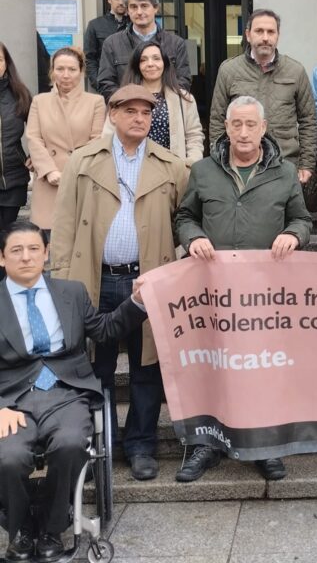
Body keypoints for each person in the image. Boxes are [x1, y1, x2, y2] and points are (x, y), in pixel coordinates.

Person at [50, 84, 188, 482]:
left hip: (147, 281)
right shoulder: (82, 160)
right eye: (129, 111)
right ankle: (104, 444)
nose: (138, 118)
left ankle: (142, 446)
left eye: (145, 113)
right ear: (112, 114)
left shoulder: (171, 165)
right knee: (100, 368)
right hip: (97, 279)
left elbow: (185, 220)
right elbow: (62, 226)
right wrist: (61, 283)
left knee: (147, 368)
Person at [174, 95, 312, 483]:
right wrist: (194, 236)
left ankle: (264, 445)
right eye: (237, 124)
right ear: (227, 128)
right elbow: (185, 215)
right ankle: (206, 443)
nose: (244, 132)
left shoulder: (284, 172)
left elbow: (302, 219)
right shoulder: (203, 171)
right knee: (213, 365)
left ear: (264, 128)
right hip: (213, 291)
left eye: (251, 124)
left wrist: (292, 234)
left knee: (260, 366)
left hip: (264, 293)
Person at [0, 220, 149, 563]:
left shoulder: (71, 293)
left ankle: (53, 527)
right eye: (16, 251)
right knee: (9, 457)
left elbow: (106, 330)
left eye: (34, 249)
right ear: (3, 258)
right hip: (12, 398)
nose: (26, 257)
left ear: (46, 253)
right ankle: (20, 530)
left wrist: (137, 303)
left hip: (67, 391)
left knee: (70, 445)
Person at [208, 9, 316, 184]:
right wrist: (219, 160)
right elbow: (217, 119)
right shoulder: (228, 70)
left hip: (285, 163)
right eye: (259, 31)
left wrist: (307, 163)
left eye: (271, 32)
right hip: (240, 166)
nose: (265, 37)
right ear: (248, 35)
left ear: (277, 36)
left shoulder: (295, 71)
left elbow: (308, 120)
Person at [27, 47, 106, 232]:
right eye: (60, 69)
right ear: (52, 71)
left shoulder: (95, 102)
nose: (65, 75)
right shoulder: (40, 101)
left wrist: (73, 168)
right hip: (49, 180)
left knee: (81, 240)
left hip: (82, 176)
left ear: (81, 72)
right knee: (49, 243)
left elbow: (97, 140)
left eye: (72, 69)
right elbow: (33, 138)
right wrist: (49, 170)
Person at [104, 41, 203, 167]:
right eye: (143, 60)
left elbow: (194, 135)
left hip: (172, 170)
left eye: (156, 58)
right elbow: (108, 135)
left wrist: (190, 163)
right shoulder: (122, 97)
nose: (150, 64)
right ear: (137, 66)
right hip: (131, 168)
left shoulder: (183, 98)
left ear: (164, 63)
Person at [97, 0, 192, 102]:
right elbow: (105, 83)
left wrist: (159, 103)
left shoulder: (176, 44)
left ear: (156, 8)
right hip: (127, 112)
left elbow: (183, 81)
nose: (139, 12)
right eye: (133, 7)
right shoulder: (112, 44)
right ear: (127, 10)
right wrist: (128, 103)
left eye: (144, 6)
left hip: (166, 113)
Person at [0, 42, 32, 237]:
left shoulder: (20, 94)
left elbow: (39, 130)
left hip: (12, 180)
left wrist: (33, 156)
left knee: (6, 239)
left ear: (6, 63)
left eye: (0, 59)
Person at [84, 0, 129, 90]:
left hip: (132, 85)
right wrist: (98, 84)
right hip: (106, 87)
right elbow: (89, 59)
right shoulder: (95, 25)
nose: (121, 3)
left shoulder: (135, 24)